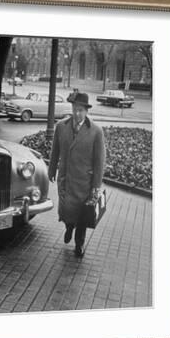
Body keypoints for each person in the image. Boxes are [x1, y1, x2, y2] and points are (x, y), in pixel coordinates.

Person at [48, 91, 106, 256]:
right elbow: (55, 151)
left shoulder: (96, 131)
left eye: (80, 110)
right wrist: (52, 169)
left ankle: (79, 244)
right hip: (65, 179)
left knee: (82, 214)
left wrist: (96, 186)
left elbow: (99, 161)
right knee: (67, 210)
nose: (77, 113)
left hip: (84, 182)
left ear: (87, 111)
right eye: (75, 109)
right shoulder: (61, 126)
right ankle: (68, 226)